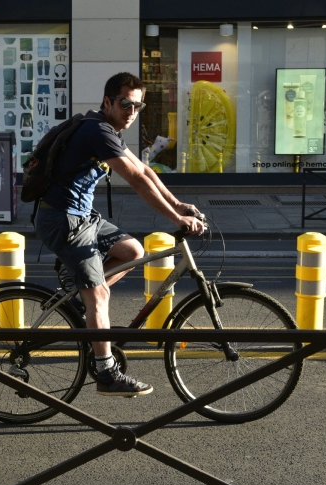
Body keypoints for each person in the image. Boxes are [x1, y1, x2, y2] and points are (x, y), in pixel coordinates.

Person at [34, 72, 203, 397]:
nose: (132, 111)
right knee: (100, 296)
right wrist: (177, 219)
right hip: (62, 221)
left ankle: (81, 301)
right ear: (108, 101)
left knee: (132, 252)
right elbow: (136, 182)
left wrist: (178, 203)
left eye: (138, 106)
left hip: (82, 218)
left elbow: (144, 170)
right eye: (126, 103)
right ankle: (107, 375)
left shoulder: (107, 128)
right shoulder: (96, 130)